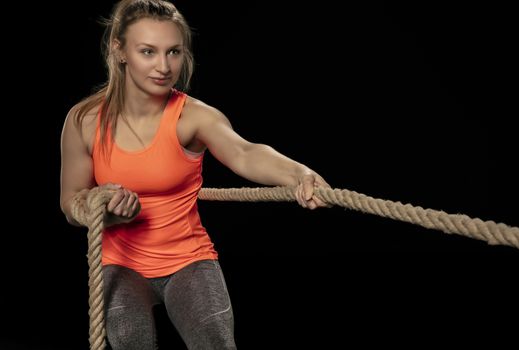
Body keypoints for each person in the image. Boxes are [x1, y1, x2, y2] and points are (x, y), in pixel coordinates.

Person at [60, 0, 331, 349]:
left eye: (173, 52)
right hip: (120, 266)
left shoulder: (193, 117)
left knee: (215, 343)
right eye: (148, 52)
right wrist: (105, 214)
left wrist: (300, 174)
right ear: (119, 50)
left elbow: (245, 152)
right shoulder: (83, 121)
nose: (163, 66)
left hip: (188, 261)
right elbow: (70, 202)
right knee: (131, 342)